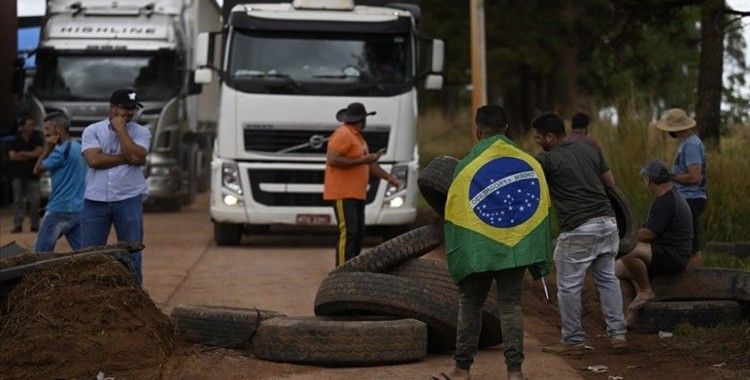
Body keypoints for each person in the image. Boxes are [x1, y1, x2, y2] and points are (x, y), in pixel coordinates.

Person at [432, 105, 552, 380]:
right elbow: (540, 211)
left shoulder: (465, 167)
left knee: (470, 304)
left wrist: (462, 254)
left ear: (478, 130)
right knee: (511, 305)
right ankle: (515, 372)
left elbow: (456, 216)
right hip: (515, 248)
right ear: (506, 129)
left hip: (479, 248)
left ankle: (462, 369)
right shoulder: (530, 163)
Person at [530, 112, 627, 354]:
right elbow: (610, 183)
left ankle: (573, 340)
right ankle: (618, 335)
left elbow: (527, 183)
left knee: (569, 287)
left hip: (578, 229)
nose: (536, 142)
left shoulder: (547, 160)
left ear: (550, 137)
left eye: (538, 138)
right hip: (607, 223)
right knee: (607, 280)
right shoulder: (590, 150)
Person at [80, 89, 151, 285]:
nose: (130, 113)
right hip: (95, 200)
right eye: (125, 108)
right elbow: (93, 160)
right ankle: (89, 298)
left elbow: (137, 157)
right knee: (88, 256)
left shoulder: (142, 131)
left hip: (129, 198)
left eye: (133, 109)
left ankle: (135, 302)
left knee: (132, 253)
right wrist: (125, 158)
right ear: (112, 108)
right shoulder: (92, 130)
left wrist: (121, 130)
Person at [323, 102, 400, 267]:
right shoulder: (343, 134)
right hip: (343, 193)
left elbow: (368, 165)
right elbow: (333, 159)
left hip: (357, 193)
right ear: (362, 119)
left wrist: (388, 177)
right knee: (349, 232)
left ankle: (353, 267)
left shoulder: (357, 138)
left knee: (358, 233)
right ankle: (342, 269)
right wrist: (364, 160)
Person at [615, 160, 693, 323]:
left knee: (628, 249)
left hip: (674, 256)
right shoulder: (669, 195)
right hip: (664, 252)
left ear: (649, 179)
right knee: (616, 271)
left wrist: (621, 238)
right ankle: (630, 318)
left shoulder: (666, 200)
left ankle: (645, 290)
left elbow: (649, 234)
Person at [655, 108, 706, 261]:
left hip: (691, 199)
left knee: (692, 247)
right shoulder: (687, 143)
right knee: (685, 244)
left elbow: (694, 177)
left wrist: (671, 176)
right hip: (686, 199)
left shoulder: (690, 145)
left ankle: (694, 281)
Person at [32, 113, 86, 252]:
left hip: (58, 210)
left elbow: (37, 170)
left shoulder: (60, 151)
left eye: (48, 129)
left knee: (39, 254)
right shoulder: (79, 147)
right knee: (85, 253)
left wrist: (47, 149)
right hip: (78, 210)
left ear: (58, 129)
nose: (46, 133)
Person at [8, 116, 43, 233]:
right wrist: (31, 154)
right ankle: (17, 224)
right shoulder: (14, 140)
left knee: (34, 200)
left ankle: (34, 224)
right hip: (17, 175)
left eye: (33, 124)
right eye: (29, 124)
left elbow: (38, 154)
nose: (32, 127)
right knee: (18, 200)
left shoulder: (37, 138)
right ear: (22, 127)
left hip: (32, 175)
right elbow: (12, 157)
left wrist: (21, 153)